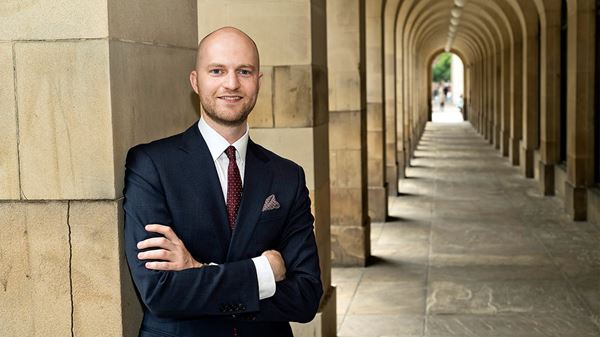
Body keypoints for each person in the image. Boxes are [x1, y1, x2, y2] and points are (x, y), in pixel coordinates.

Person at [123, 26, 323, 337]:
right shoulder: (151, 165)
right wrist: (263, 272)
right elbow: (159, 292)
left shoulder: (288, 176)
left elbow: (306, 296)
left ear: (258, 81)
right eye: (217, 71)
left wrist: (199, 273)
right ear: (195, 81)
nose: (231, 83)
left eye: (244, 71)